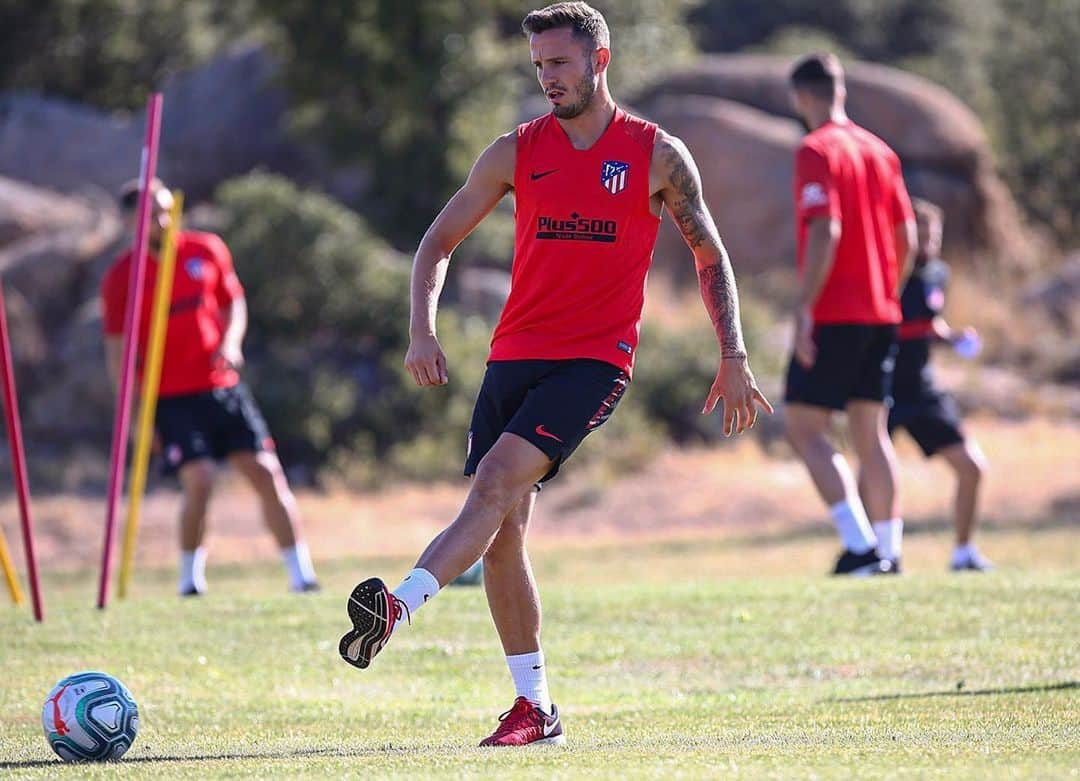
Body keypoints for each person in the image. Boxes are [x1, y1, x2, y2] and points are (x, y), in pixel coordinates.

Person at [338, 1, 772, 747]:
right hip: (513, 355)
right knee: (503, 533)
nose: (548, 78)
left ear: (600, 61)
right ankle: (534, 708)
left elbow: (710, 255)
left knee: (492, 485)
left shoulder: (656, 154)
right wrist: (422, 327)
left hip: (593, 361)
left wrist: (732, 352)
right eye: (539, 65)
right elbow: (437, 242)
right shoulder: (513, 151)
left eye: (560, 64)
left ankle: (399, 605)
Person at [101, 179, 319, 596]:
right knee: (199, 480)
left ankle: (301, 576)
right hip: (170, 397)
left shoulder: (206, 249)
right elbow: (118, 354)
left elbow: (233, 301)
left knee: (266, 473)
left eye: (168, 210)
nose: (164, 221)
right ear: (132, 222)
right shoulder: (120, 277)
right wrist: (132, 418)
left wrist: (230, 342)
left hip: (221, 386)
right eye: (152, 215)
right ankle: (190, 581)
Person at [783, 53, 917, 575]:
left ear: (801, 96)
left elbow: (826, 230)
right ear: (841, 90)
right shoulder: (880, 151)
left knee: (803, 427)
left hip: (836, 312)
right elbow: (906, 235)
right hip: (883, 312)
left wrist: (805, 308)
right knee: (870, 432)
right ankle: (891, 551)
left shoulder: (815, 150)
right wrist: (889, 288)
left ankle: (859, 545)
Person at [889, 199, 991, 571]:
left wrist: (952, 337)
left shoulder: (937, 274)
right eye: (922, 234)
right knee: (873, 473)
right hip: (881, 386)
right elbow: (885, 327)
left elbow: (929, 323)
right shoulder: (886, 272)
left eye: (935, 235)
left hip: (922, 389)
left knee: (972, 467)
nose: (929, 243)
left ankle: (963, 553)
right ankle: (875, 554)